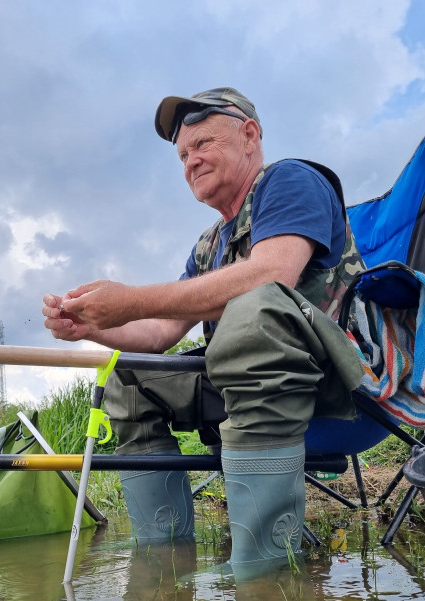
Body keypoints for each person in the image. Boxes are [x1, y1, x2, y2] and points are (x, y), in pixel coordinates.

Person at [43, 87, 365, 566]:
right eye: (183, 155)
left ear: (249, 135)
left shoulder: (291, 181)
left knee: (256, 311)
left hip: (330, 383)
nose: (191, 161)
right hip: (243, 383)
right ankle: (165, 573)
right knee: (129, 374)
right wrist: (91, 325)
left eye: (204, 144)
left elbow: (270, 274)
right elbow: (158, 334)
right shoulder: (208, 245)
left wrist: (130, 299)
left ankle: (267, 583)